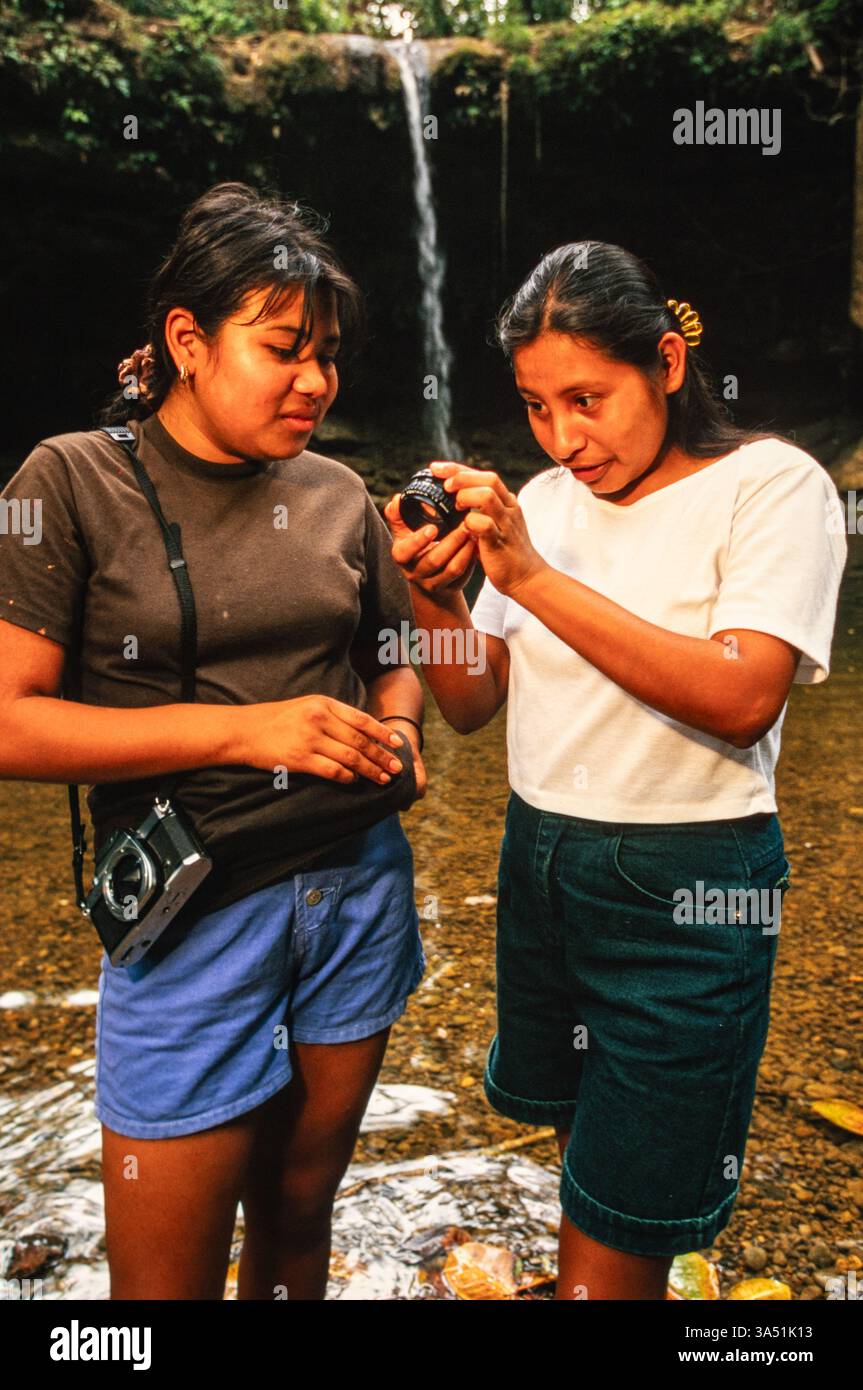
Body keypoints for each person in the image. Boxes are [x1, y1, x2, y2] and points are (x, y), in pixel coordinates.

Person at [384, 240, 847, 1300]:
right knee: (592, 1152)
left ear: (669, 363)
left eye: (586, 397)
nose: (562, 436)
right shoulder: (541, 502)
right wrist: (427, 591)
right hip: (539, 864)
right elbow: (468, 702)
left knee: (624, 1214)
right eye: (537, 406)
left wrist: (530, 577)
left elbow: (740, 697)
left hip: (685, 889)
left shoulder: (771, 487)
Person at [0, 181, 428, 1300]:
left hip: (357, 895)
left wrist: (396, 726)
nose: (316, 381)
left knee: (296, 1218)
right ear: (186, 340)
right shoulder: (70, 481)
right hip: (191, 916)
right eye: (283, 348)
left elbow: (397, 650)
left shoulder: (339, 493)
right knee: (162, 1286)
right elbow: (8, 720)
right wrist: (249, 732)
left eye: (326, 355)